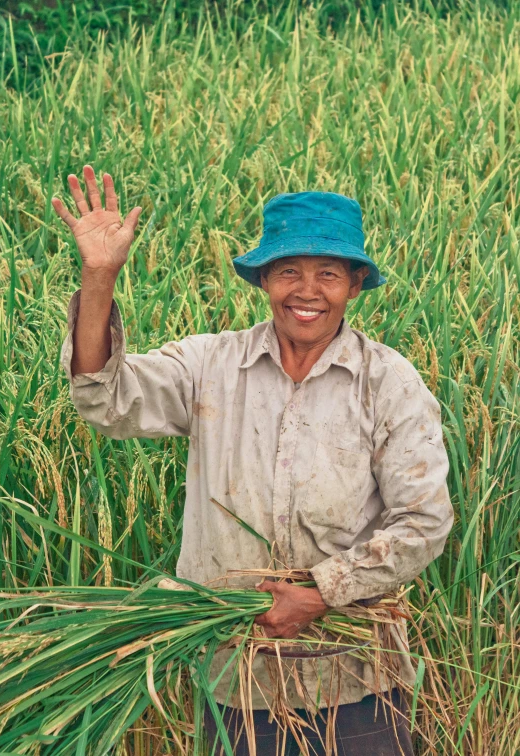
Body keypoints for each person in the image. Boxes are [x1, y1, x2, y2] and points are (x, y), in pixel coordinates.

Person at [53, 166, 454, 756]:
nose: (307, 290)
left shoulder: (388, 383)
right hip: (238, 678)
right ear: (265, 279)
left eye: (329, 273)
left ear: (355, 283)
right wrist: (99, 278)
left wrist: (321, 593)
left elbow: (424, 523)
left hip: (355, 679)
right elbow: (105, 398)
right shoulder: (210, 365)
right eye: (288, 270)